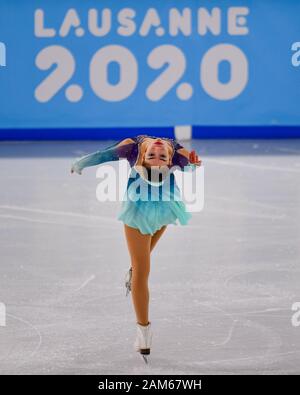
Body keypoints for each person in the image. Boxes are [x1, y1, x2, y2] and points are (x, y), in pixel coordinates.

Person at [71, 134, 201, 362]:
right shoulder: (170, 153)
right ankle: (144, 333)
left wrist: (81, 162)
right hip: (153, 207)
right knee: (142, 270)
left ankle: (139, 301)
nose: (158, 149)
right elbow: (189, 166)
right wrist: (192, 163)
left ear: (143, 156)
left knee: (140, 266)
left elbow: (104, 154)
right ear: (170, 159)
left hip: (158, 205)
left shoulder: (132, 148)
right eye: (158, 155)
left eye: (155, 155)